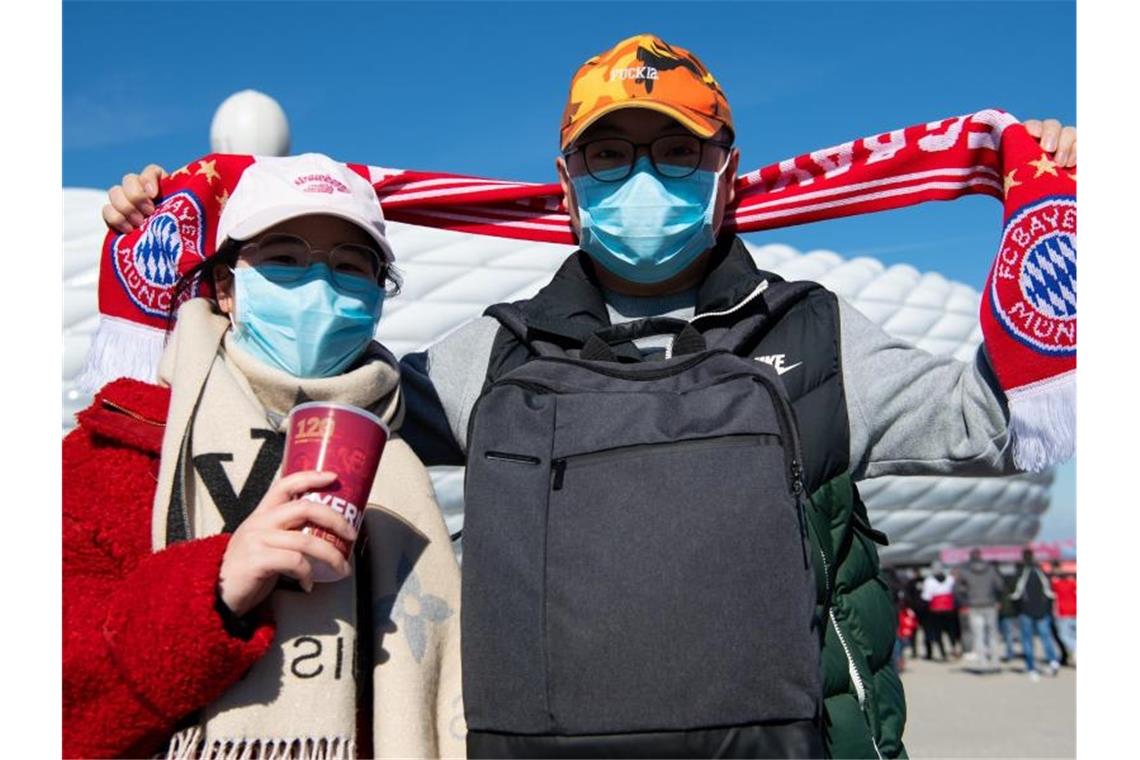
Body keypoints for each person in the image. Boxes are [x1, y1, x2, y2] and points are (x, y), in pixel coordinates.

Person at [101, 33, 1076, 760]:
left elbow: (992, 419)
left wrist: (1061, 229)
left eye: (675, 151)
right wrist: (178, 245)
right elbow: (306, 381)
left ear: (724, 172)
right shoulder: (494, 349)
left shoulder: (814, 336)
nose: (641, 178)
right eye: (611, 154)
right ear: (567, 181)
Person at [64, 154, 465, 759]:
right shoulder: (121, 445)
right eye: (283, 258)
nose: (320, 286)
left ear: (378, 298)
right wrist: (214, 587)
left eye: (351, 266)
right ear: (225, 287)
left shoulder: (402, 454)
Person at [1009, 547, 1061, 681]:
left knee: (1028, 640)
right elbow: (1050, 592)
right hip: (1041, 611)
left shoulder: (1021, 573)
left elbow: (1015, 594)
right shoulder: (1041, 572)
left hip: (1026, 611)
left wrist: (1017, 608)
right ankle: (1052, 660)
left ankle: (1031, 667)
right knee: (1045, 637)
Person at [957, 548, 1006, 672]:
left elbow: (957, 589)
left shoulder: (964, 571)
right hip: (990, 604)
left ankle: (983, 663)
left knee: (978, 635)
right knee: (992, 634)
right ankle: (995, 662)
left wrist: (965, 600)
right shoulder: (991, 569)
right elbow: (1000, 585)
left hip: (974, 605)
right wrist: (997, 599)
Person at [921, 562, 956, 662]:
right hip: (949, 608)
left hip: (935, 609)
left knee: (938, 632)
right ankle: (952, 647)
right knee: (950, 631)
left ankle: (943, 652)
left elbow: (926, 597)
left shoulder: (929, 581)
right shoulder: (950, 579)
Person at [1051, 566, 1078, 666]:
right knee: (1072, 635)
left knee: (1064, 636)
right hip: (1074, 612)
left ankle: (1075, 649)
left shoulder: (1056, 584)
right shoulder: (1072, 584)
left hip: (1063, 613)